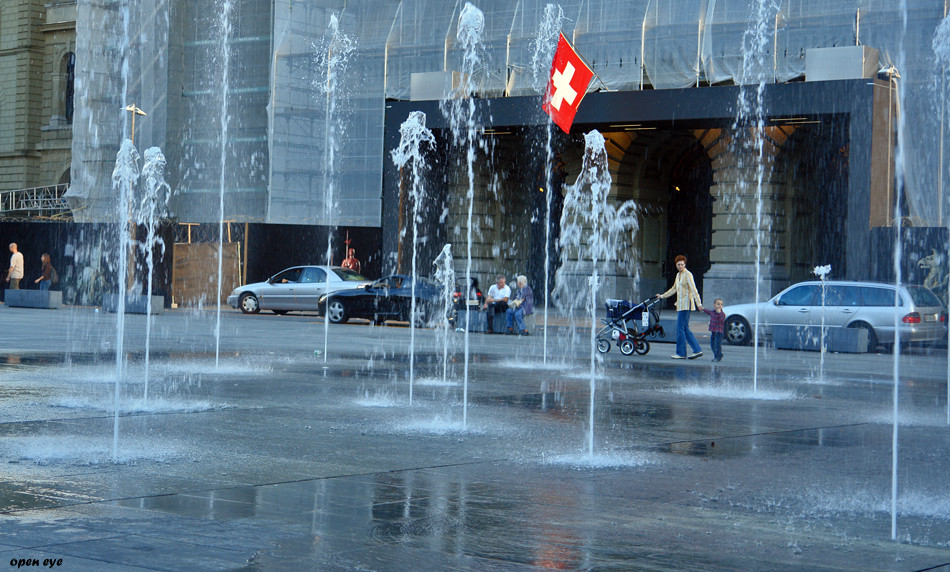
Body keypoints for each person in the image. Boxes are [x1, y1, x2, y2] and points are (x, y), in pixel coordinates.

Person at [656, 254, 704, 359]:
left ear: (685, 264)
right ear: (676, 265)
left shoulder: (688, 275)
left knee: (680, 330)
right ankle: (697, 350)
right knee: (685, 329)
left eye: (682, 264)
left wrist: (699, 303)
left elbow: (694, 290)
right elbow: (674, 289)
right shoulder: (678, 275)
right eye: (678, 265)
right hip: (680, 305)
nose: (680, 266)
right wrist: (662, 296)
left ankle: (681, 353)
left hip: (686, 305)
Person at [702, 297, 725, 362]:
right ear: (714, 305)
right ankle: (719, 355)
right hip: (713, 332)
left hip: (719, 333)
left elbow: (721, 320)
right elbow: (708, 312)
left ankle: (717, 357)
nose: (720, 306)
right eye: (718, 304)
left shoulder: (722, 314)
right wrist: (703, 309)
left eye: (721, 304)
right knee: (712, 345)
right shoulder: (713, 312)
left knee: (717, 345)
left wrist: (719, 313)